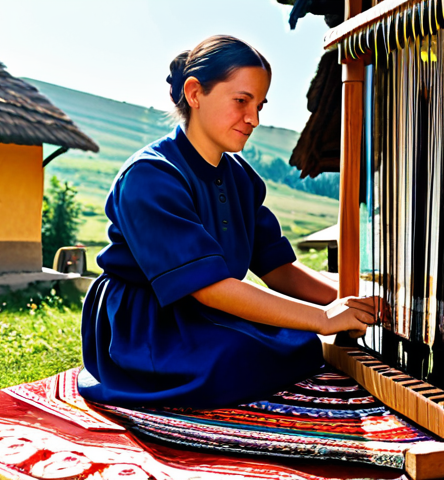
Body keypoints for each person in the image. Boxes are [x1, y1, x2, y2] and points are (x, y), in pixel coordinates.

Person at [78, 35, 376, 409]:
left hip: (203, 310)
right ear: (194, 93)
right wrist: (322, 318)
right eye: (241, 101)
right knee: (241, 359)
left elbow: (279, 269)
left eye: (259, 105)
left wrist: (352, 300)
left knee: (299, 346)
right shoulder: (150, 176)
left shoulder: (241, 178)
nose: (253, 119)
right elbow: (210, 289)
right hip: (146, 321)